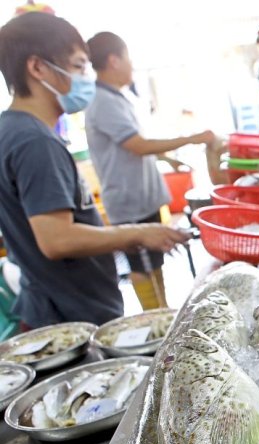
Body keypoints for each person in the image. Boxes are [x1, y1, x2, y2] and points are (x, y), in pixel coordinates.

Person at [0, 13, 189, 328]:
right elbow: (56, 240)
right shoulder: (35, 141)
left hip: (53, 307)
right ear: (37, 67)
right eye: (78, 66)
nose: (88, 77)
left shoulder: (12, 129)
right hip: (73, 316)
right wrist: (136, 233)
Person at [85, 32, 214, 310]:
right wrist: (191, 138)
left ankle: (163, 312)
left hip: (142, 195)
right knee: (143, 265)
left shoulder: (116, 96)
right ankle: (156, 320)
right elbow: (138, 145)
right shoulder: (102, 101)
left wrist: (168, 159)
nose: (132, 66)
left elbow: (133, 143)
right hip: (129, 203)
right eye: (129, 58)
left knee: (154, 260)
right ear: (113, 60)